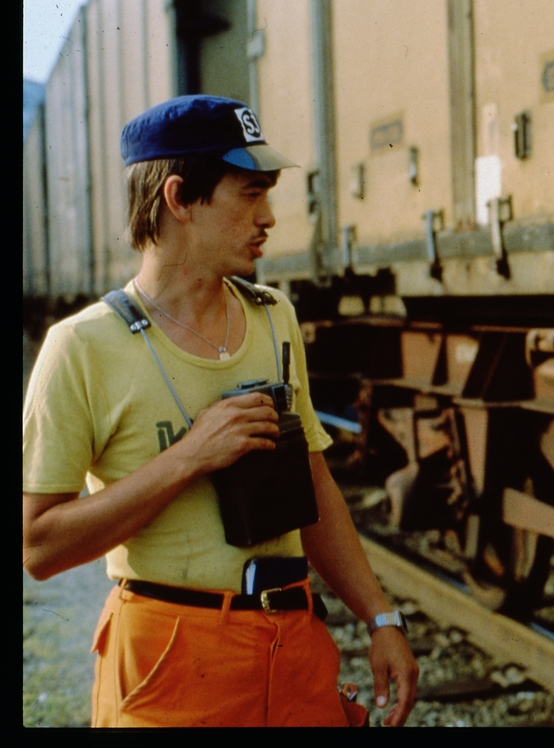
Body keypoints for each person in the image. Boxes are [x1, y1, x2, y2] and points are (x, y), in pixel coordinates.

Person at [22, 95, 419, 727]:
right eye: (249, 194)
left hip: (294, 645)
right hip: (168, 662)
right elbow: (38, 546)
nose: (268, 218)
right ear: (179, 198)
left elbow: (312, 481)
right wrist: (188, 458)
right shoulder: (83, 347)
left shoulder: (273, 316)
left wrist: (381, 617)